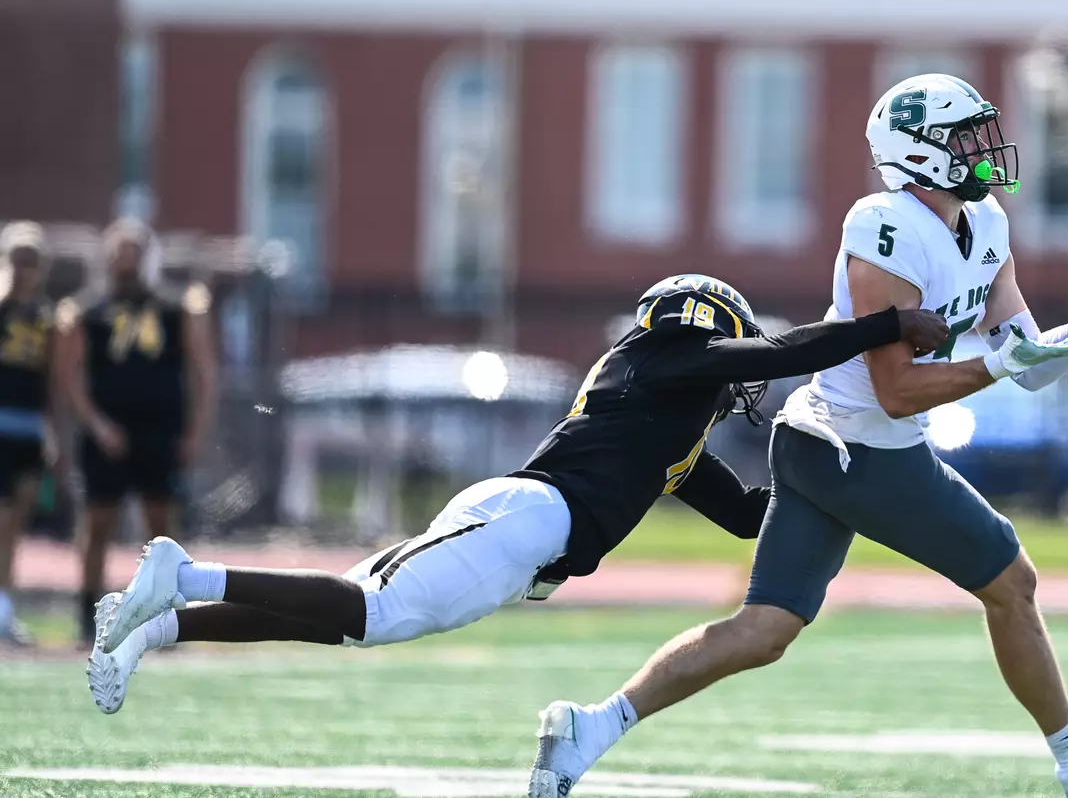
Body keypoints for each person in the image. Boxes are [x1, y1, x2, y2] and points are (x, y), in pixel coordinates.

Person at [534, 75, 1068, 798]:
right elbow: (897, 393)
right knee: (1012, 580)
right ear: (919, 152)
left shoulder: (986, 222)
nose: (982, 149)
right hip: (856, 447)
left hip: (829, 446)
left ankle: (590, 727)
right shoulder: (884, 227)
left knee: (765, 629)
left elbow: (1029, 367)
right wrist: (997, 364)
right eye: (963, 136)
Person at [87, 274, 947, 716]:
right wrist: (885, 328)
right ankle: (185, 576)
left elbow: (753, 516)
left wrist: (858, 477)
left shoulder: (669, 438)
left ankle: (154, 626)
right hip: (527, 518)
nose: (738, 378)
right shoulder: (656, 358)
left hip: (522, 534)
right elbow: (775, 355)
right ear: (701, 322)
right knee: (368, 612)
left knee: (343, 618)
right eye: (732, 346)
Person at [58, 218, 218, 644]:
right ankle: (87, 615)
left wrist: (196, 431)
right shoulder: (86, 311)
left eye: (134, 252)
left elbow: (203, 371)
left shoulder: (176, 308)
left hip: (161, 430)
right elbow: (69, 377)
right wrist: (97, 425)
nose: (126, 261)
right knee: (98, 522)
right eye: (119, 252)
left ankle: (164, 616)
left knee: (162, 527)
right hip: (107, 433)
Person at [0, 222, 57, 645]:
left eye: (30, 262)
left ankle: (4, 609)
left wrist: (54, 434)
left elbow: (53, 380)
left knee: (13, 526)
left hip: (29, 428)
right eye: (17, 260)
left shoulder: (47, 318)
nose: (23, 269)